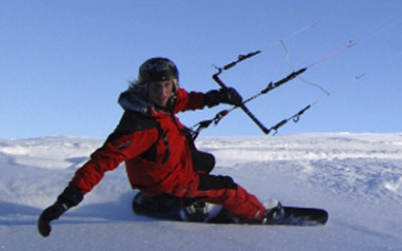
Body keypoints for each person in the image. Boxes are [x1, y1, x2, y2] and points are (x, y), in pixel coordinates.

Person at [38, 57, 274, 236]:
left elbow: (185, 100)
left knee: (206, 161)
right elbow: (101, 163)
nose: (162, 93)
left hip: (172, 167)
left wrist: (216, 97)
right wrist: (65, 201)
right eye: (155, 87)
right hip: (166, 182)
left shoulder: (161, 103)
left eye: (167, 85)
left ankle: (178, 204)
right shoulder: (138, 125)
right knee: (226, 187)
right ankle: (259, 216)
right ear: (145, 88)